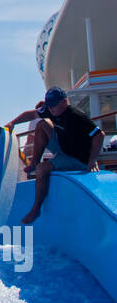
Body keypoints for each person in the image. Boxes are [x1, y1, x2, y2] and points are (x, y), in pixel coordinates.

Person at [21, 88, 104, 224]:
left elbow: (99, 135)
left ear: (64, 102)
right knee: (42, 124)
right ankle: (33, 162)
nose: (51, 109)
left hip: (76, 158)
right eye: (49, 106)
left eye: (54, 105)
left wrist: (92, 161)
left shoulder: (77, 116)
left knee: (42, 169)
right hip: (63, 149)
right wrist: (12, 123)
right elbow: (31, 114)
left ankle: (36, 209)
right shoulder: (52, 110)